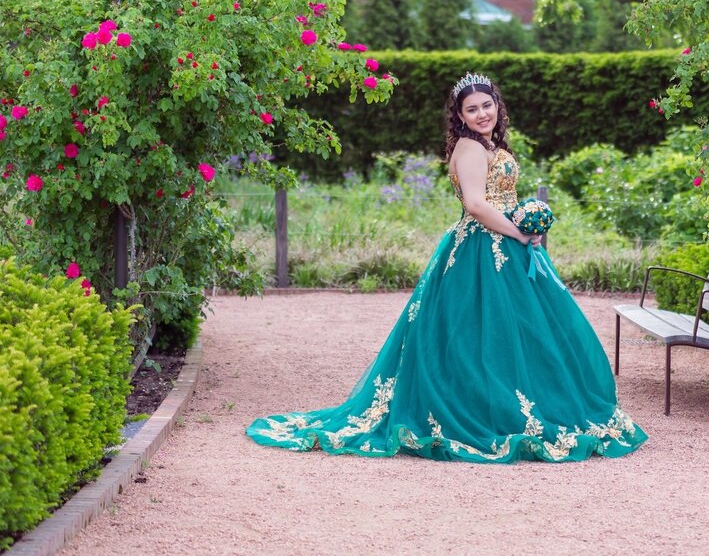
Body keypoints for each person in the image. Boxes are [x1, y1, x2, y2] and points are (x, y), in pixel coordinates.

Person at [246, 72, 647, 462]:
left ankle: (518, 404)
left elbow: (502, 196)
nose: (482, 114)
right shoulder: (470, 148)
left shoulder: (492, 146)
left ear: (497, 106)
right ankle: (483, 410)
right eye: (471, 109)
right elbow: (475, 204)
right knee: (479, 334)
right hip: (481, 251)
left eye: (487, 105)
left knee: (519, 333)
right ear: (460, 116)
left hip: (509, 245)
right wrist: (519, 234)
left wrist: (528, 226)